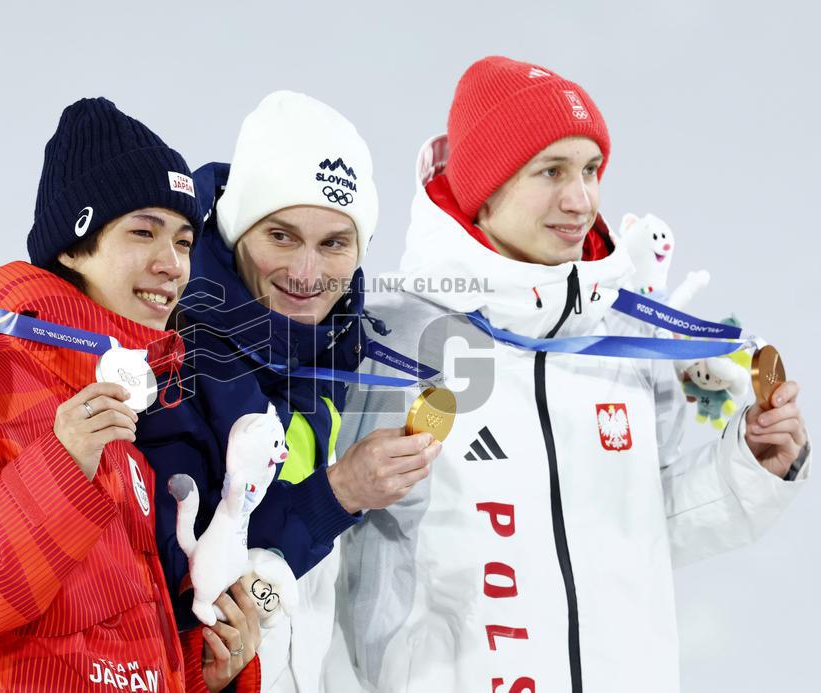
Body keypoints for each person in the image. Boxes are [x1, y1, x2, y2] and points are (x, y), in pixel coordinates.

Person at [331, 57, 811, 693]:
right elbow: (329, 541)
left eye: (590, 170)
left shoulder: (622, 341)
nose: (580, 199)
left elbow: (640, 528)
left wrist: (750, 466)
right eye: (550, 170)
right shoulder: (391, 337)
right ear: (487, 187)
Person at [0, 97, 259, 693]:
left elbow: (93, 654)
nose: (171, 263)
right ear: (71, 248)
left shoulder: (119, 415)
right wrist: (58, 474)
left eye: (182, 240)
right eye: (142, 232)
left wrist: (204, 673)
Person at [137, 91, 441, 693]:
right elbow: (182, 597)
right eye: (280, 236)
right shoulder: (175, 359)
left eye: (334, 243)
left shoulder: (326, 353)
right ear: (234, 229)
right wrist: (340, 493)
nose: (307, 273)